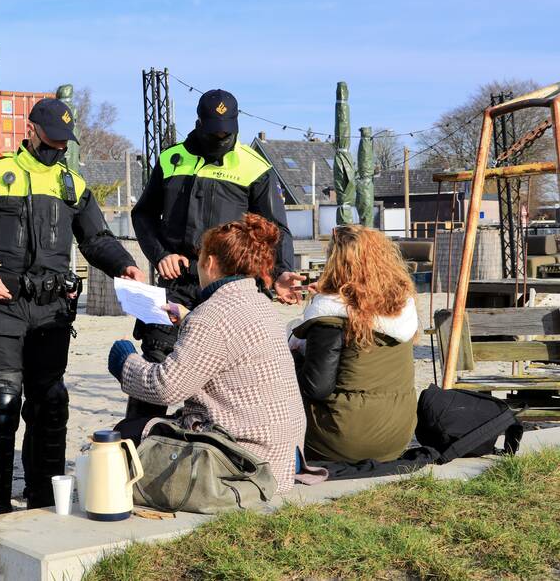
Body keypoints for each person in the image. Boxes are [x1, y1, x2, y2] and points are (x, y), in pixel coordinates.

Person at [0, 97, 145, 516]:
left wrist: (125, 265)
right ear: (31, 130)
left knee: (50, 401)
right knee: (4, 401)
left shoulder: (72, 184)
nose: (57, 148)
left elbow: (96, 239)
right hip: (1, 306)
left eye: (64, 141)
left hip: (52, 312)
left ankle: (43, 500)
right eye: (51, 139)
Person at [129, 88, 303, 420]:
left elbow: (275, 230)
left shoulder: (255, 167)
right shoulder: (171, 159)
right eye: (215, 130)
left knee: (228, 376)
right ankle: (136, 452)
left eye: (228, 130)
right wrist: (160, 254)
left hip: (229, 291)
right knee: (155, 370)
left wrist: (281, 271)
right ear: (199, 123)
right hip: (175, 283)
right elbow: (143, 215)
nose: (222, 136)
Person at [108, 214, 306, 493]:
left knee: (126, 434)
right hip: (284, 451)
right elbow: (228, 338)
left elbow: (166, 388)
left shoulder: (212, 316)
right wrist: (188, 318)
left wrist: (124, 360)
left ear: (210, 262)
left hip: (248, 460)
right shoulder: (259, 302)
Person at [288, 225, 418, 463]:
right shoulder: (401, 305)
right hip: (396, 437)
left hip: (343, 441)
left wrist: (293, 357)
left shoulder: (329, 313)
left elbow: (316, 387)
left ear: (335, 263)